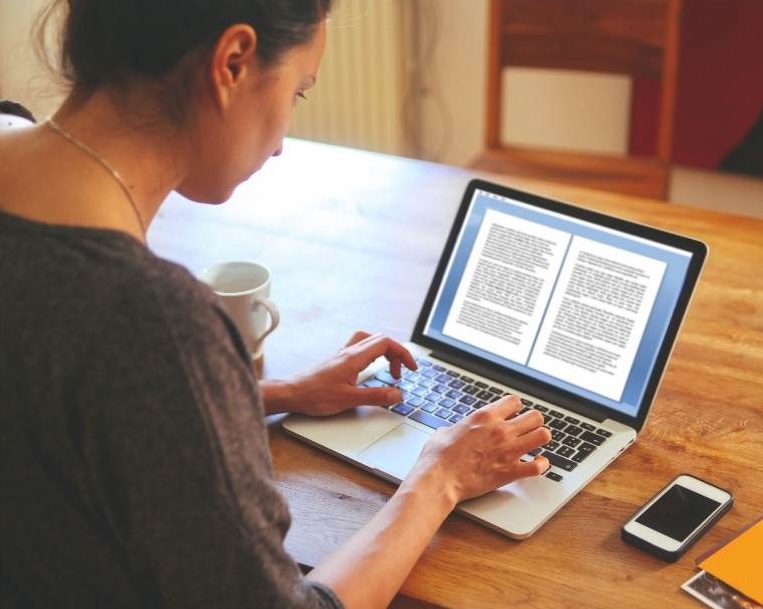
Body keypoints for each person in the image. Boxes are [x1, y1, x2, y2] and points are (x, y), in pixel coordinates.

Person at [0, 1, 551, 608]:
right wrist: (439, 478)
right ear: (232, 63)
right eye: (299, 92)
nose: (285, 139)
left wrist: (265, 393)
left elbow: (51, 399)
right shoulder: (150, 323)